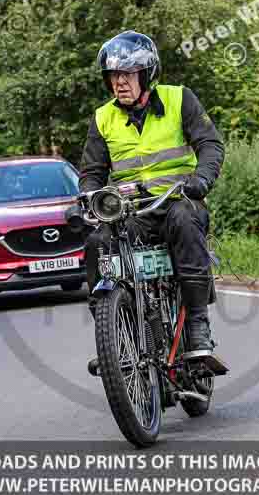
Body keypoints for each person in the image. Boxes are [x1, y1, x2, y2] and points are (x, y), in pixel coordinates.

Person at [78, 30, 225, 357]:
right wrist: (89, 198)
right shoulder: (103, 118)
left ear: (146, 74)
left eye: (127, 74)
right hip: (132, 213)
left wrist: (200, 179)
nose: (119, 82)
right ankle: (114, 338)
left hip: (177, 201)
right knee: (97, 244)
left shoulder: (179, 99)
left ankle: (198, 325)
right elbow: (92, 172)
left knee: (186, 221)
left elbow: (210, 144)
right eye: (113, 75)